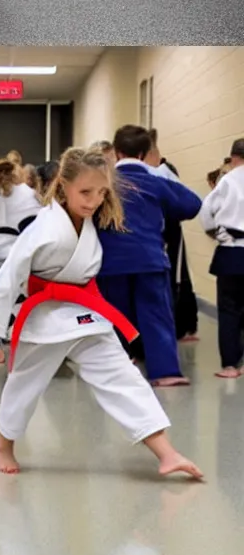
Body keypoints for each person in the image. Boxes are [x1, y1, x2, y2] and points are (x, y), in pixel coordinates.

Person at [0, 145, 203, 478]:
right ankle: (5, 445)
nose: (93, 200)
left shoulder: (94, 221)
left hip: (86, 312)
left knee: (122, 375)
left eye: (102, 192)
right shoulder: (45, 227)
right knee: (25, 384)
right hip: (46, 315)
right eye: (85, 192)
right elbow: (9, 277)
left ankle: (167, 453)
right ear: (62, 185)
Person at [98, 125, 201, 387]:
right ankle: (165, 372)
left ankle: (116, 366)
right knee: (156, 314)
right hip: (150, 259)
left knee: (115, 316)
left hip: (112, 262)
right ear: (145, 153)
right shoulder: (156, 182)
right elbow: (192, 204)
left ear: (117, 152)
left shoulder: (103, 183)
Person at [145, 131, 199, 343]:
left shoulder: (164, 172)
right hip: (151, 233)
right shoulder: (140, 173)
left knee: (177, 278)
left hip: (169, 231)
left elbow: (187, 202)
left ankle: (182, 326)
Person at [199, 137, 244, 379]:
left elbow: (206, 212)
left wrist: (217, 232)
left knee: (229, 309)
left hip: (231, 251)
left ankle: (229, 365)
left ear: (234, 157)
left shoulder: (227, 180)